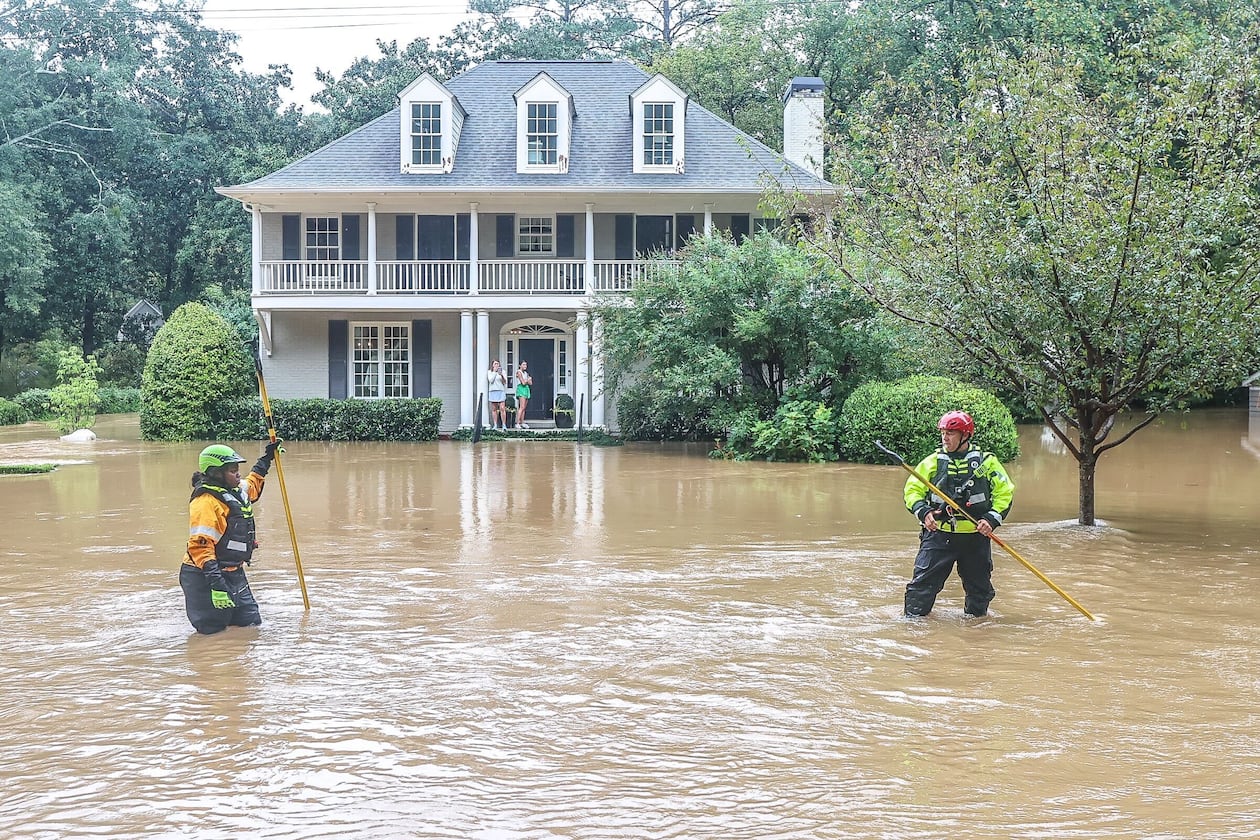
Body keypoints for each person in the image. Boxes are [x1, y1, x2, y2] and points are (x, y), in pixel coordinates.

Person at [902, 410, 1014, 618]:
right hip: (939, 536)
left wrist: (991, 519)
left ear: (965, 435)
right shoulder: (932, 462)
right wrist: (923, 511)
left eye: (951, 433)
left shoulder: (987, 462)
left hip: (975, 537)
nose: (945, 438)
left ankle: (977, 630)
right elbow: (912, 490)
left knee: (979, 591)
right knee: (921, 588)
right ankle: (914, 628)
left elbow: (1004, 492)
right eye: (943, 433)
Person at [180, 441, 280, 634]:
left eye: (237, 469)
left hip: (234, 573)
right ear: (216, 473)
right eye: (232, 470)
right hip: (204, 576)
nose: (237, 473)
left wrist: (267, 458)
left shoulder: (236, 490)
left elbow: (253, 485)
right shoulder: (205, 502)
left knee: (250, 625)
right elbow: (200, 548)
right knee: (212, 634)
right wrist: (217, 586)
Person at [487, 360, 508, 430]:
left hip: (500, 390)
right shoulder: (490, 372)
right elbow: (491, 380)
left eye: (498, 364)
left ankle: (504, 425)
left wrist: (501, 374)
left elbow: (505, 382)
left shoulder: (503, 371)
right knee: (494, 409)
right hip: (493, 391)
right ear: (492, 365)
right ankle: (495, 425)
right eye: (495, 364)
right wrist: (495, 372)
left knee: (502, 408)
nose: (497, 365)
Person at [514, 360, 533, 429]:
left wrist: (528, 380)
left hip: (526, 389)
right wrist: (527, 380)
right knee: (521, 407)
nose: (525, 366)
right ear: (520, 365)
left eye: (526, 365)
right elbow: (523, 383)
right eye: (523, 365)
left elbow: (530, 383)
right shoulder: (519, 372)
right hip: (521, 389)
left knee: (524, 408)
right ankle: (517, 423)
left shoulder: (526, 373)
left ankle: (522, 422)